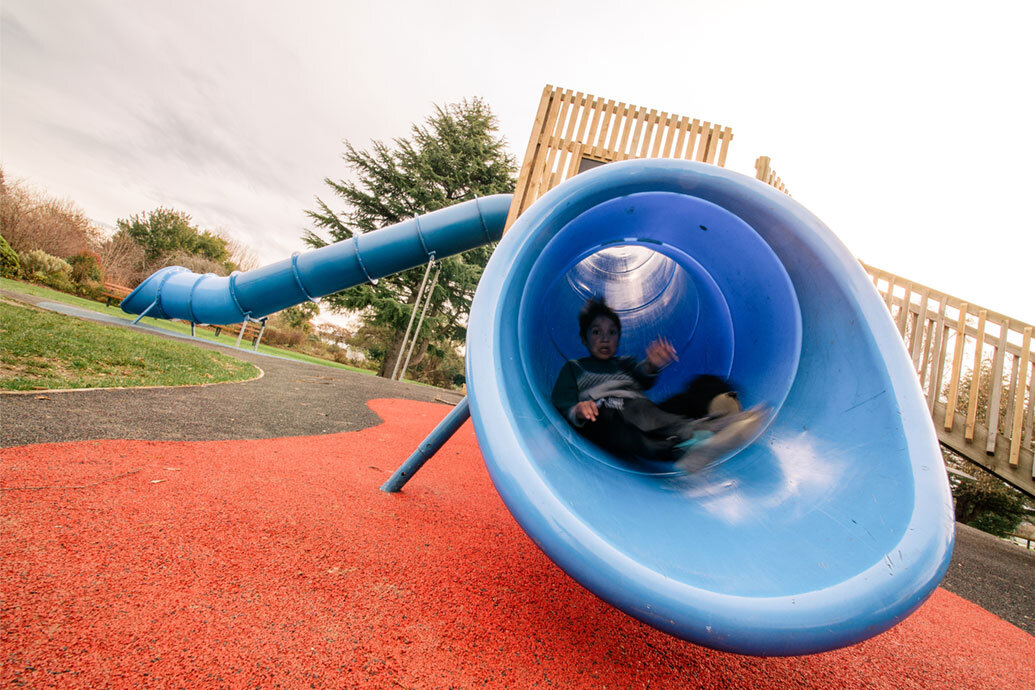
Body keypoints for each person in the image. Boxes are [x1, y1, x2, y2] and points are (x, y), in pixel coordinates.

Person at [551, 298, 766, 469]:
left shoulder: (624, 363)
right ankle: (692, 440)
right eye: (596, 332)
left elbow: (642, 380)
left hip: (643, 409)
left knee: (699, 385)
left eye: (612, 332)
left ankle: (719, 412)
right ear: (583, 339)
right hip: (603, 416)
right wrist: (577, 410)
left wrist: (652, 364)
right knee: (628, 421)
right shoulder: (574, 368)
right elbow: (562, 400)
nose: (605, 338)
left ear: (618, 339)